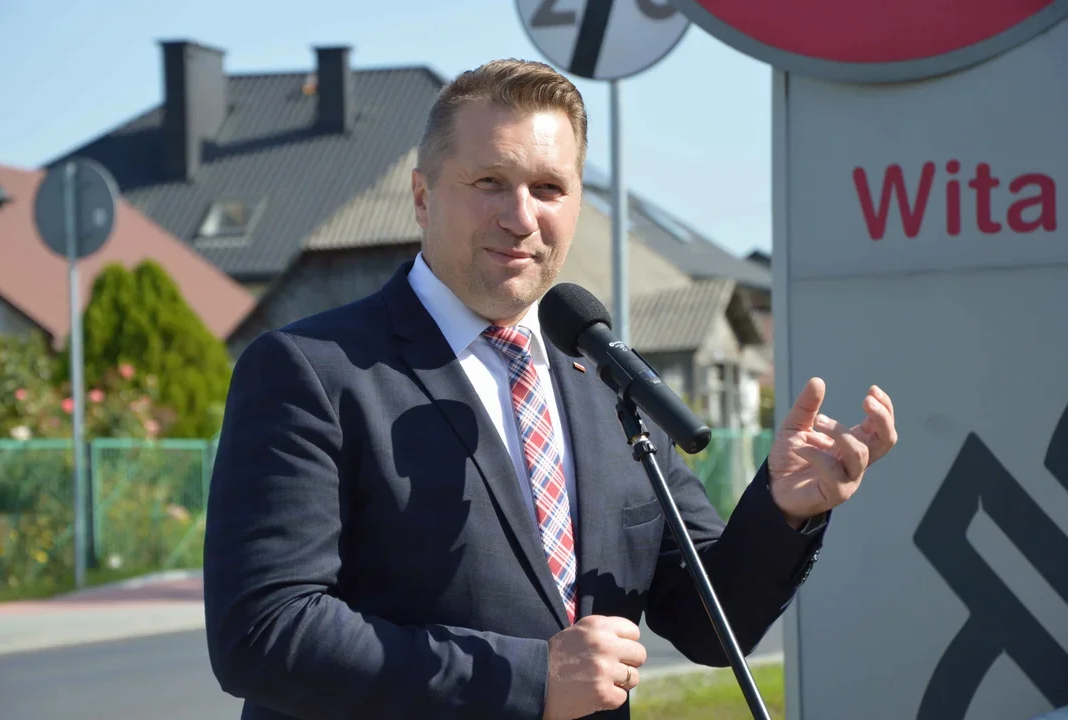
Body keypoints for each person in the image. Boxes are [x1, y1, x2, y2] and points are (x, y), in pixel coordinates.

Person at [202, 58, 898, 720]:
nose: (521, 216)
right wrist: (528, 681)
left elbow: (706, 623)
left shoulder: (608, 379)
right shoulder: (310, 371)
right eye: (489, 182)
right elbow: (263, 632)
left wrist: (781, 511)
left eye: (548, 189)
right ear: (421, 196)